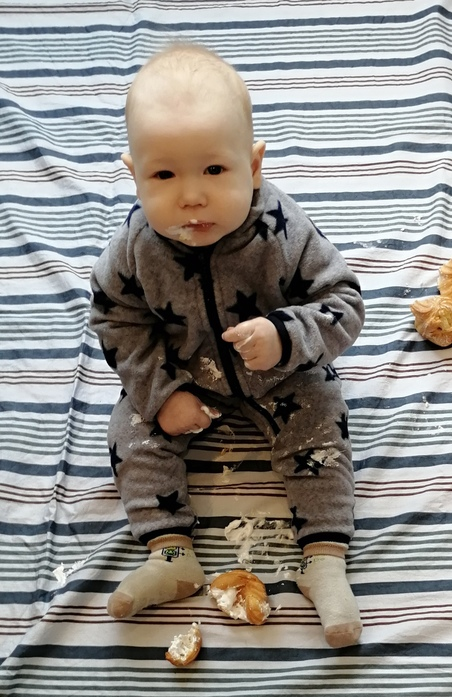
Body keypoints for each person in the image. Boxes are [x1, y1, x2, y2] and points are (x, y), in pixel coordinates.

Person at [89, 42, 365, 648]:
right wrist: (161, 395)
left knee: (323, 422)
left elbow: (345, 303)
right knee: (127, 430)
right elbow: (116, 320)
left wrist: (287, 336)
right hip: (185, 374)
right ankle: (170, 552)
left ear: (254, 164)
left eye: (215, 170)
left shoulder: (283, 230)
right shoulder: (136, 248)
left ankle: (324, 560)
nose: (192, 197)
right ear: (133, 175)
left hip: (282, 373)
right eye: (164, 175)